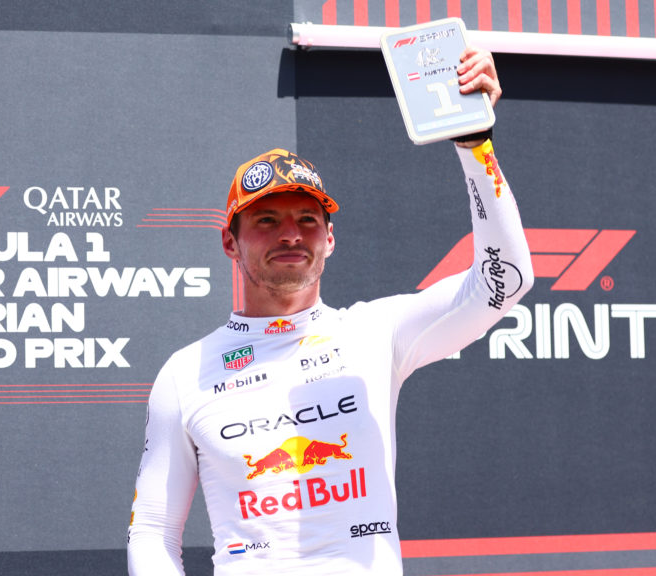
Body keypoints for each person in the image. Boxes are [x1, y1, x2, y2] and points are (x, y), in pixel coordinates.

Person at [127, 47, 533, 575]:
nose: (291, 234)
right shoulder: (185, 374)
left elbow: (504, 281)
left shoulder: (375, 333)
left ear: (330, 239)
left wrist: (476, 145)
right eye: (266, 221)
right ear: (231, 243)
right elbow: (153, 533)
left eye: (307, 220)